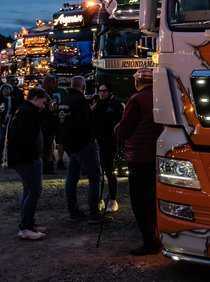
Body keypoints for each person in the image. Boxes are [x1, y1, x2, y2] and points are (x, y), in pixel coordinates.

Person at [115, 68, 162, 255]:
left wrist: (117, 129)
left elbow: (125, 128)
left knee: (141, 202)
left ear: (137, 81)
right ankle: (159, 235)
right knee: (154, 199)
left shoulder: (136, 99)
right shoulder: (161, 96)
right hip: (157, 155)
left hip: (140, 157)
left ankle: (151, 242)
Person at [59, 75, 113, 225]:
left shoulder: (65, 101)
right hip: (83, 145)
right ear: (83, 87)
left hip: (69, 145)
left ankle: (74, 212)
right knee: (95, 177)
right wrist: (92, 139)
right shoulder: (79, 100)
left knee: (72, 178)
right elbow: (84, 123)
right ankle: (94, 213)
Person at [7, 87, 50, 240]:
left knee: (29, 191)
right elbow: (26, 138)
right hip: (27, 159)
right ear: (36, 98)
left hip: (24, 158)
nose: (44, 107)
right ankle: (25, 228)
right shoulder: (27, 112)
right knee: (34, 191)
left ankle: (28, 224)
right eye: (43, 103)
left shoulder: (24, 110)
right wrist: (33, 156)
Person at [91, 82, 124, 213]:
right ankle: (100, 199)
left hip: (109, 142)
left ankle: (112, 200)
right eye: (100, 91)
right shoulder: (97, 104)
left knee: (109, 172)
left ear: (110, 92)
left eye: (104, 91)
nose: (102, 93)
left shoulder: (115, 104)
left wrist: (117, 142)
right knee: (99, 172)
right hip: (98, 142)